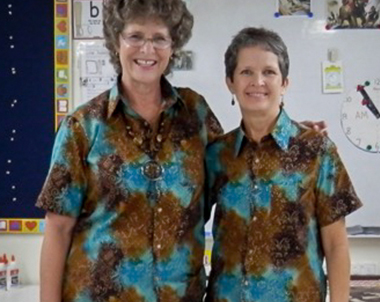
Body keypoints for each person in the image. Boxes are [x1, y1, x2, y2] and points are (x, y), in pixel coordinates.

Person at [36, 1, 223, 301]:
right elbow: (57, 230)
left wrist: (289, 133)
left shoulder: (195, 114)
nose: (147, 50)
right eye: (135, 36)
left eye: (159, 38)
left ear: (173, 45)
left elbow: (237, 170)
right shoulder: (84, 126)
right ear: (116, 41)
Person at [205, 27, 362, 302]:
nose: (258, 81)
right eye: (246, 72)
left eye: (269, 72)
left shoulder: (316, 150)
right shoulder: (218, 154)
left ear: (284, 83)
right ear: (230, 82)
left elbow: (336, 244)